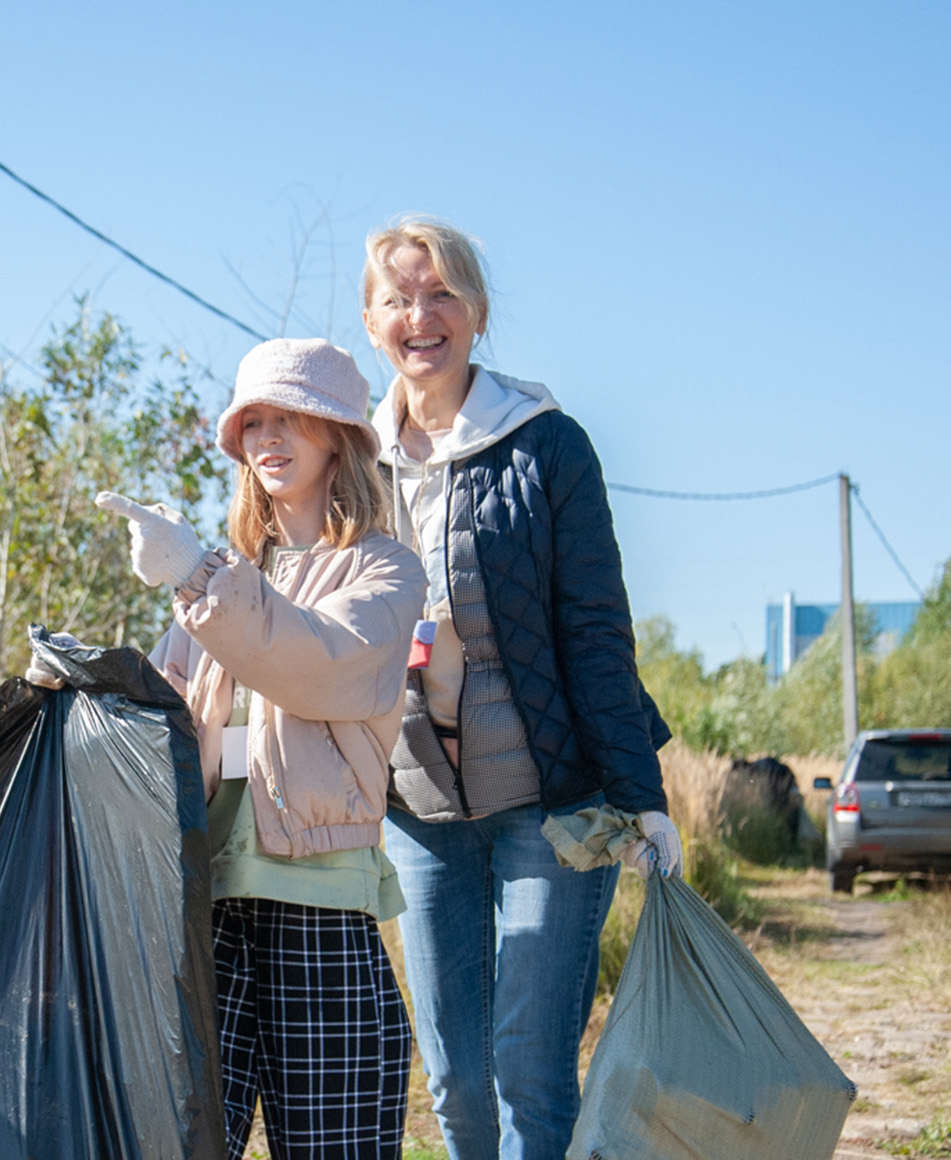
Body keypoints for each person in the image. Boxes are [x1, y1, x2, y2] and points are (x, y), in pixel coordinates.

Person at [360, 216, 679, 1160]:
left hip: (552, 804)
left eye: (440, 293)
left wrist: (641, 799)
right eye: (396, 299)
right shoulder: (353, 463)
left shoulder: (544, 446)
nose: (420, 315)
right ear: (369, 321)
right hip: (416, 811)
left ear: (478, 312)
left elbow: (593, 631)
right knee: (455, 1081)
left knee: (528, 1072)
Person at [92, 338, 428, 1160]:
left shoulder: (383, 573)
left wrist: (197, 577)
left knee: (332, 1150)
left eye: (290, 420)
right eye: (252, 424)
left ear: (339, 436)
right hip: (210, 903)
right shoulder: (223, 580)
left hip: (318, 901)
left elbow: (310, 663)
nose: (267, 439)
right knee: (177, 1147)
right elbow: (165, 720)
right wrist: (78, 691)